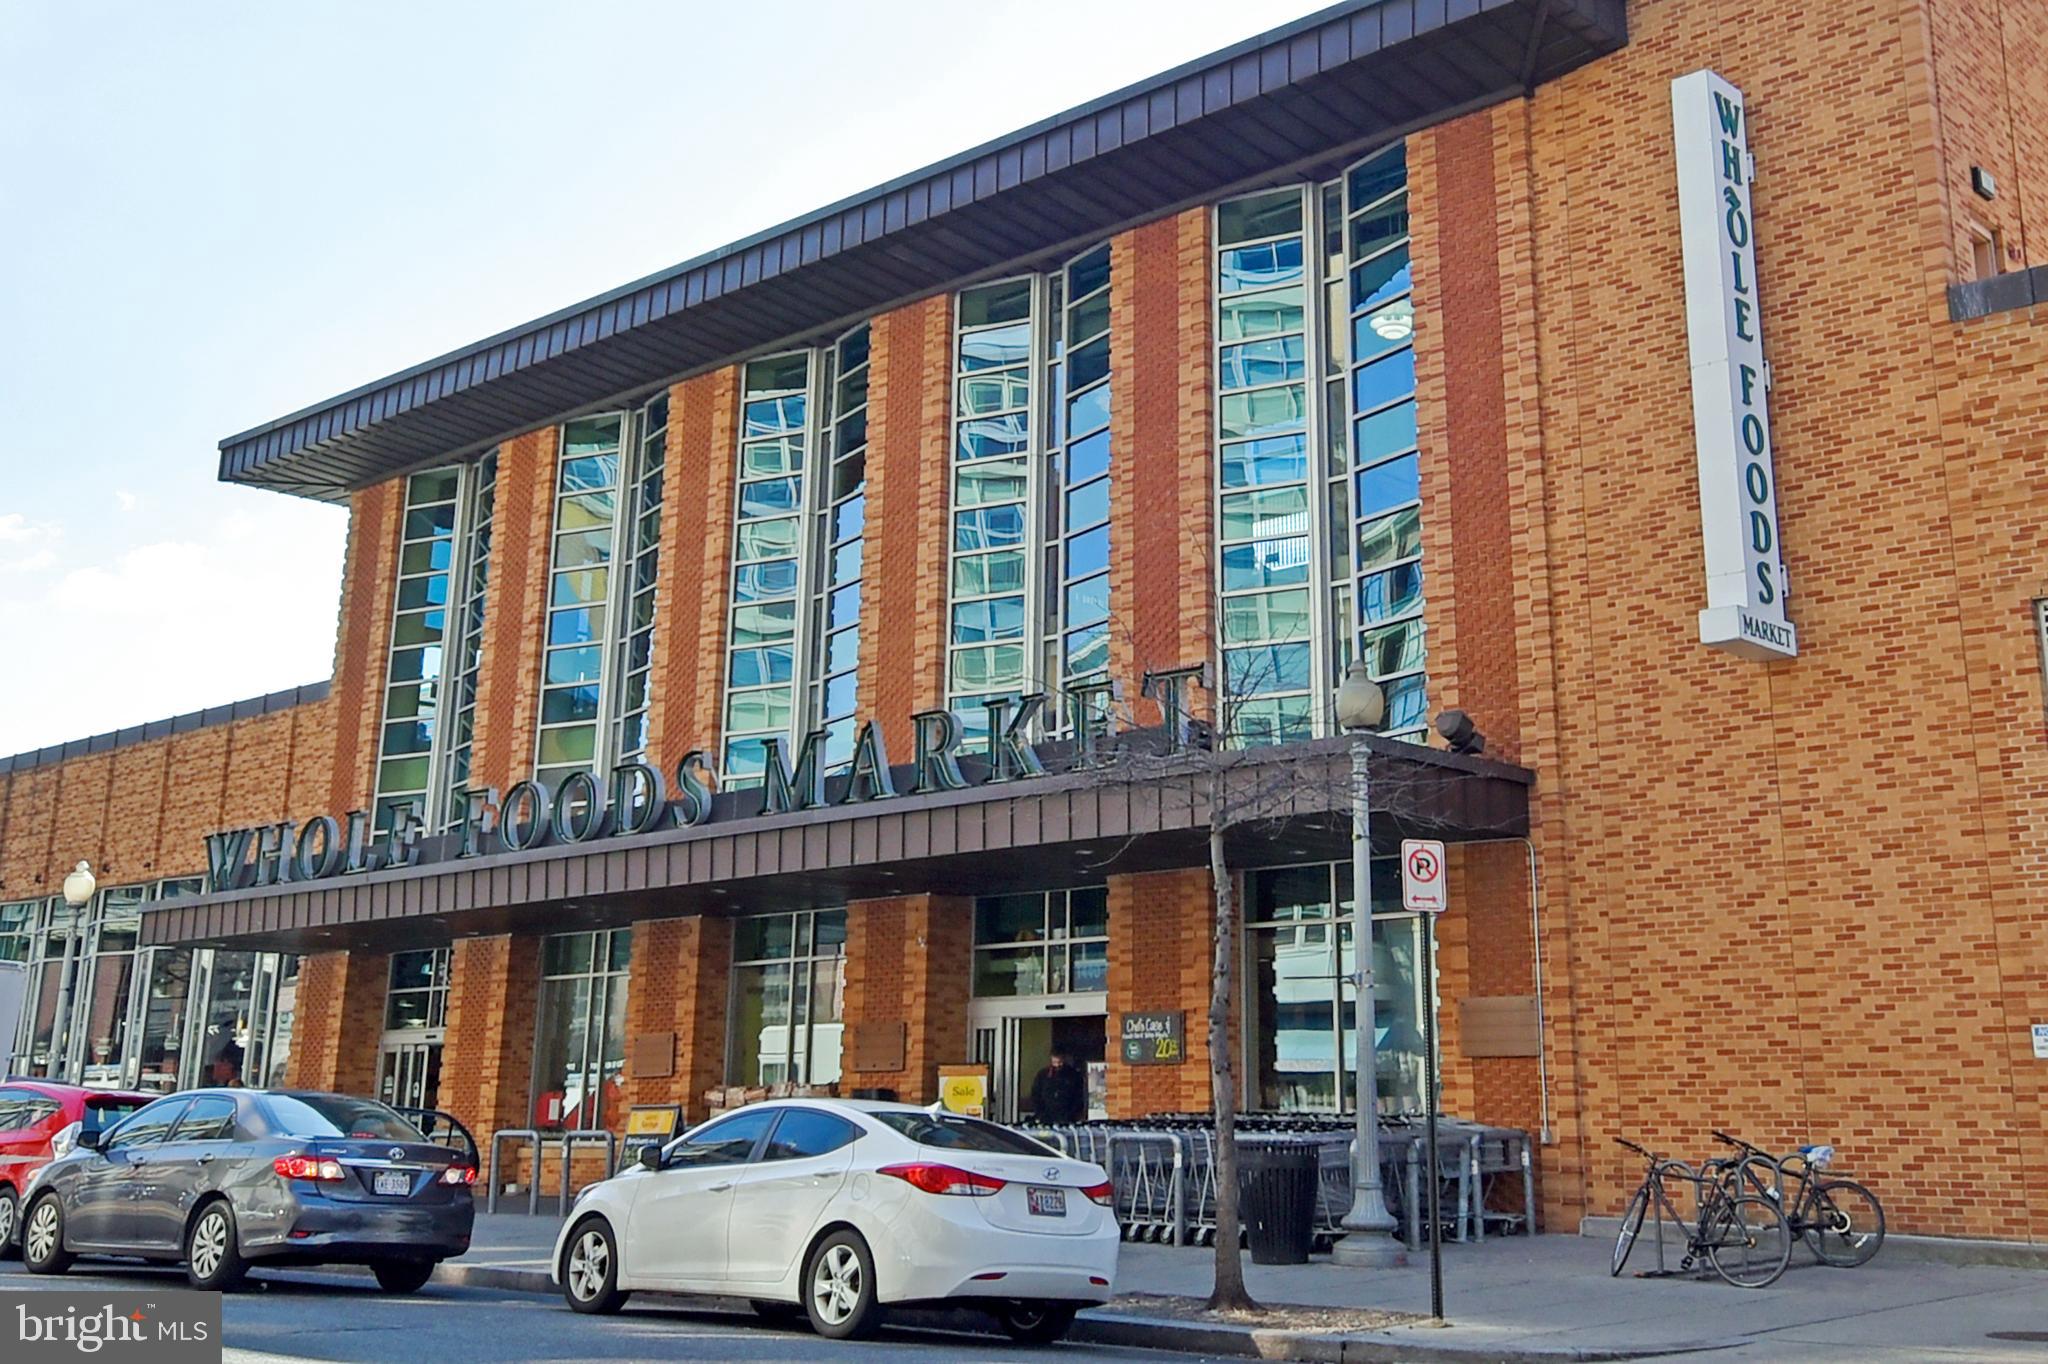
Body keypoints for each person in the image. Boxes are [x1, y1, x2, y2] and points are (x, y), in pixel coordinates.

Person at [1028, 1049, 1086, 1124]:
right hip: (1046, 1118)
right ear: (1051, 1059)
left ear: (1064, 1059)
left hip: (1067, 1118)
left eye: (1060, 1062)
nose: (1057, 1065)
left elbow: (1079, 1097)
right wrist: (1041, 1114)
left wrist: (1071, 1115)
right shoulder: (1042, 1075)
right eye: (1055, 1062)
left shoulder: (1074, 1076)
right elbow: (1035, 1096)